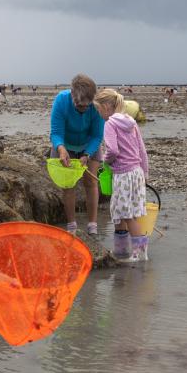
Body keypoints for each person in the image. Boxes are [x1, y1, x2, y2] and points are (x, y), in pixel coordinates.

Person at [93, 89, 149, 262]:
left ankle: (138, 253)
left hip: (123, 174)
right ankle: (121, 250)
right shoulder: (131, 122)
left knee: (126, 214)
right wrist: (145, 172)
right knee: (120, 210)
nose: (99, 114)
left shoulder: (110, 124)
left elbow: (113, 150)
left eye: (99, 110)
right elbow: (142, 150)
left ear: (107, 106)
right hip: (137, 172)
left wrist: (105, 162)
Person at [50, 74, 104, 235]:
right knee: (68, 185)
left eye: (86, 106)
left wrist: (87, 154)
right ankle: (72, 225)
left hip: (89, 145)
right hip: (65, 145)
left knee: (90, 182)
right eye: (79, 106)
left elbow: (97, 135)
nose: (83, 109)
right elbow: (56, 132)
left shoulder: (96, 106)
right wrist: (61, 148)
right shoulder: (61, 100)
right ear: (72, 95)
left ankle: (92, 225)